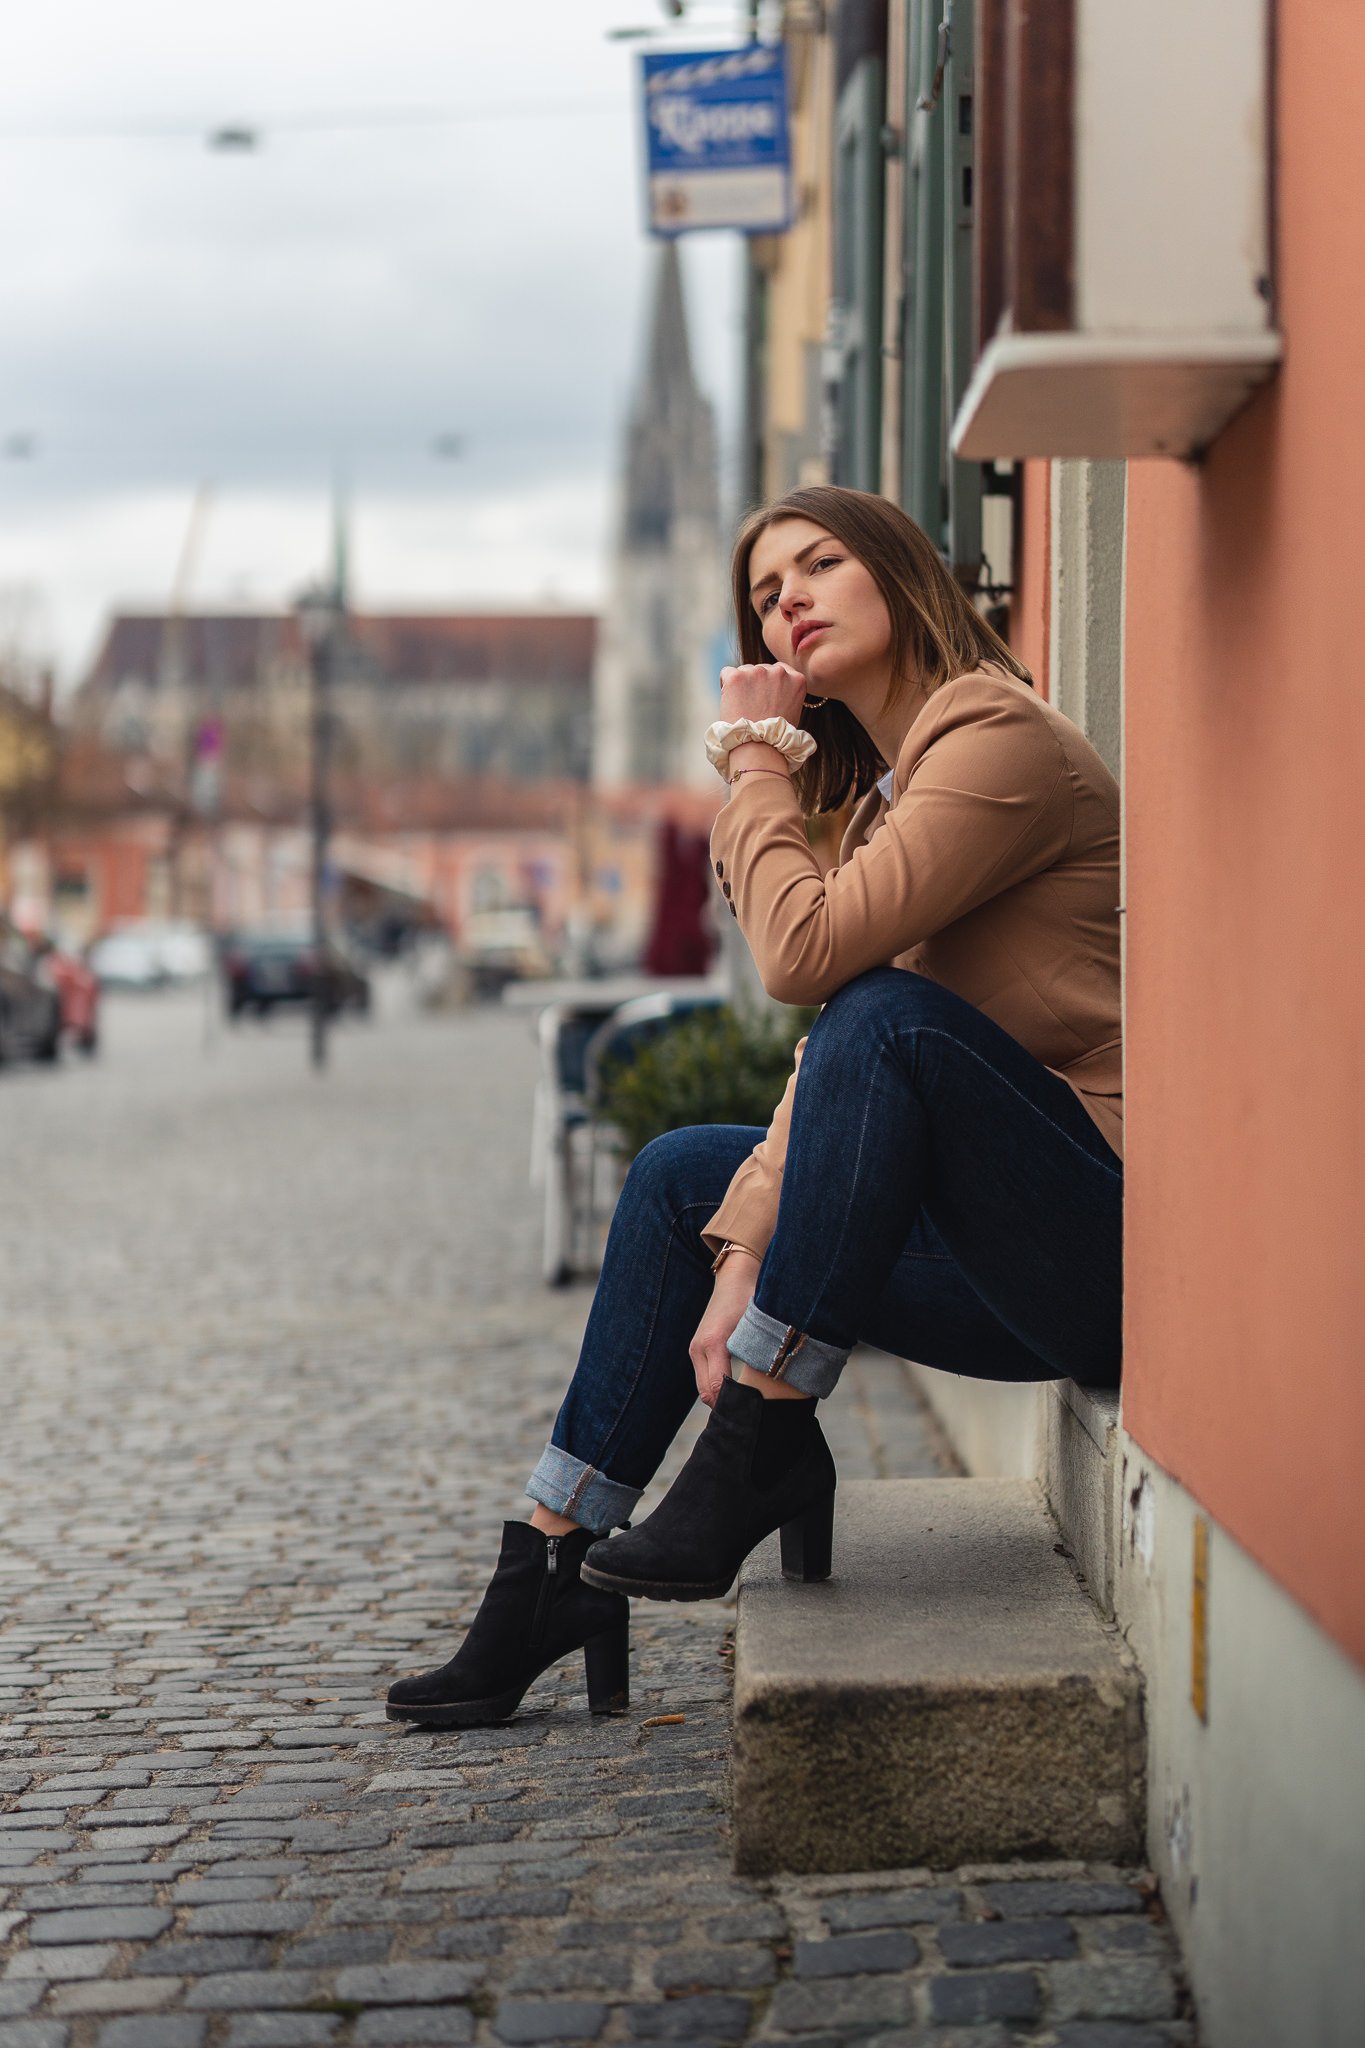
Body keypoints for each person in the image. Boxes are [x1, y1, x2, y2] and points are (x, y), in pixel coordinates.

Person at [386, 484, 1123, 1729]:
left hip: (1099, 1247)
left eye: (820, 564)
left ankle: (763, 1436)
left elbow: (804, 957)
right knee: (683, 1176)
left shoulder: (996, 735)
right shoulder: (891, 797)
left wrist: (754, 766)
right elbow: (827, 1061)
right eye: (768, 593)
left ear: (901, 574)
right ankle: (551, 1563)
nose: (790, 601)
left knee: (883, 1016)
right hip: (1000, 1257)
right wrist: (741, 1253)